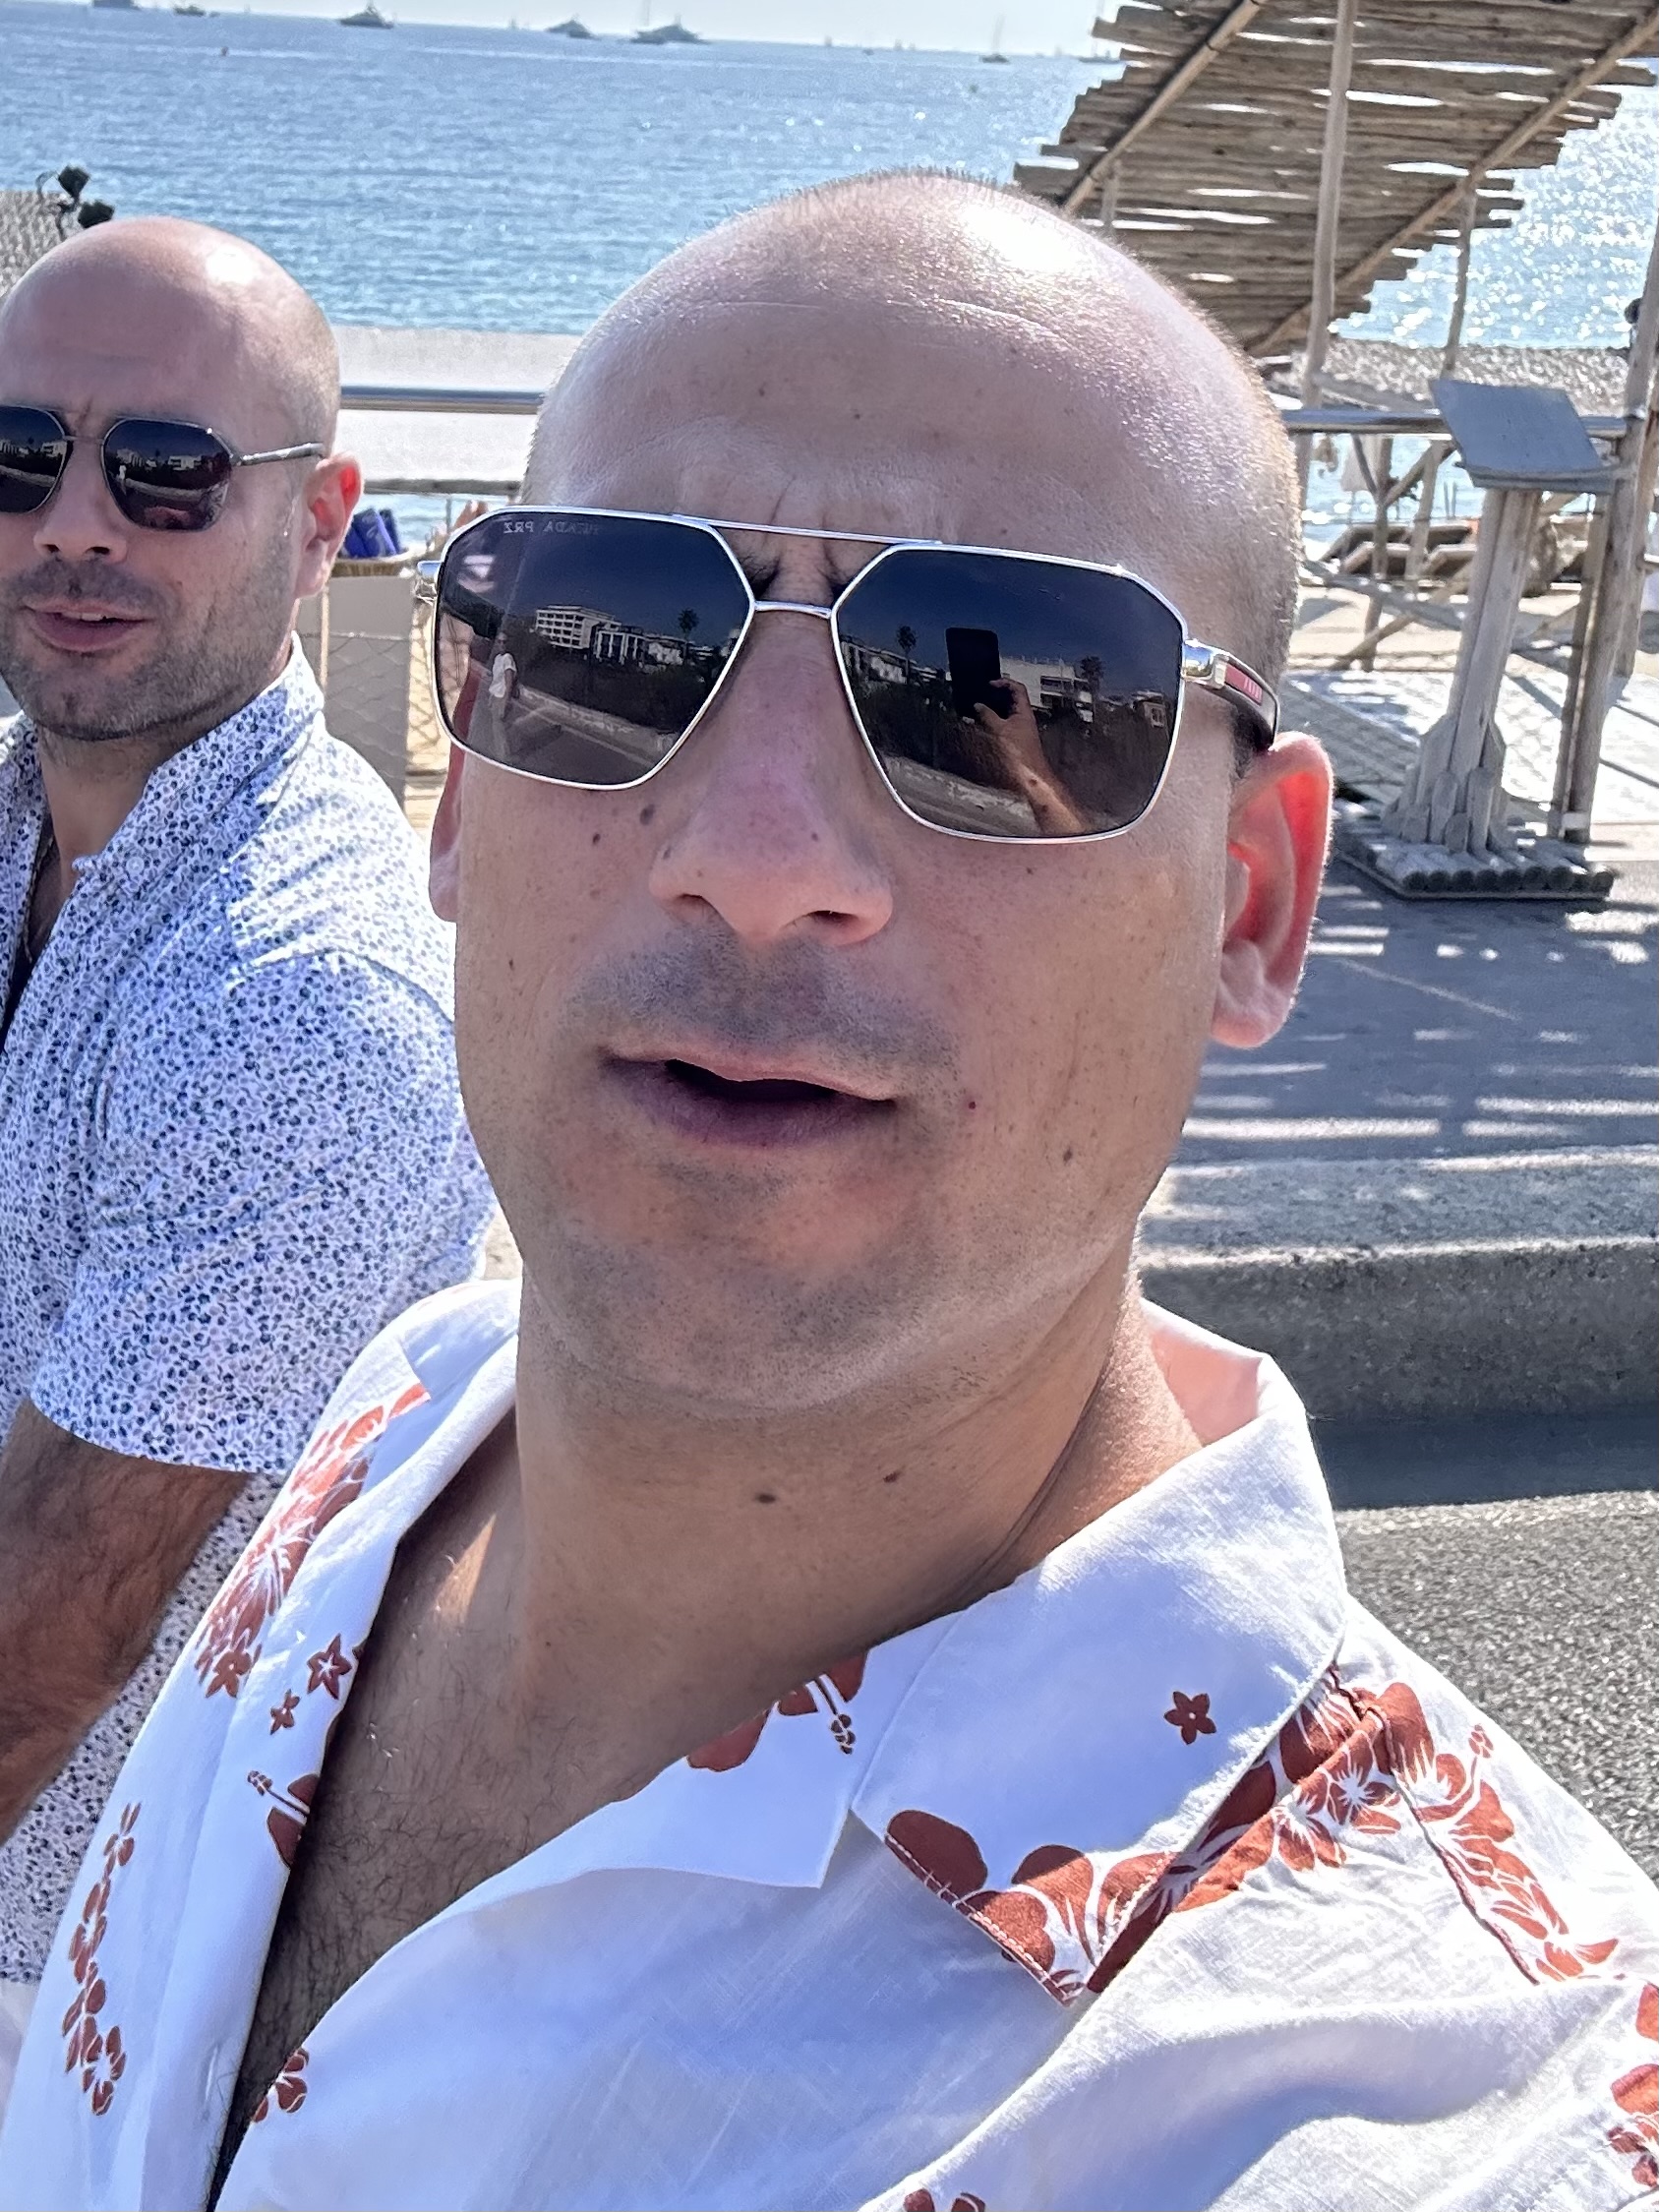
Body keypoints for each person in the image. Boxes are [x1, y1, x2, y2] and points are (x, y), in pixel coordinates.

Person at [5, 176, 1656, 2211]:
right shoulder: (399, 1422)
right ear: (465, 781)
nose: (758, 854)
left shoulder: (1440, 2116)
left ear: (1251, 904)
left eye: (1007, 692)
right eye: (615, 647)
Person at [0, 218, 494, 2104]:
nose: (75, 524)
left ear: (316, 522)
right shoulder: (28, 813)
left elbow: (53, 1634)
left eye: (168, 470)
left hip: (80, 1970)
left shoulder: (295, 996)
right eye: (21, 453)